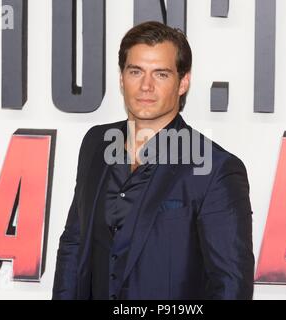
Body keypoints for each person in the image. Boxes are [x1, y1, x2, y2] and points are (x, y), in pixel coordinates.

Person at [52, 21, 254, 300]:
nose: (146, 86)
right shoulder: (96, 144)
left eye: (161, 74)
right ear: (122, 78)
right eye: (136, 71)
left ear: (183, 82)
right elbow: (74, 244)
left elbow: (230, 285)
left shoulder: (216, 169)